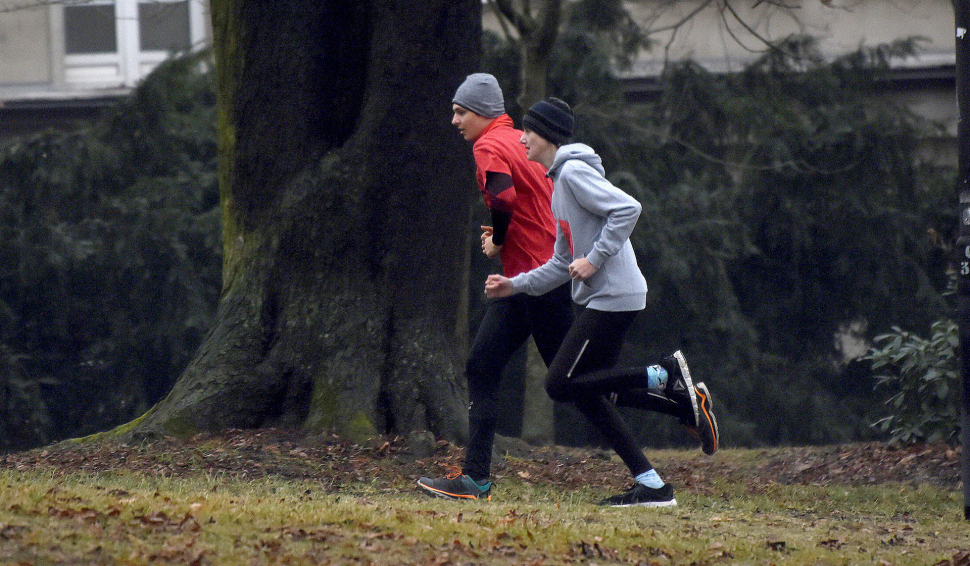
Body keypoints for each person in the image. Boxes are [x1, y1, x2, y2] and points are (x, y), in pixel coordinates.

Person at [483, 97, 719, 507]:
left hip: (614, 297)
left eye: (530, 132)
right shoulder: (558, 185)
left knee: (559, 384)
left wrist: (594, 259)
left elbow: (628, 209)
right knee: (592, 392)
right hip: (608, 297)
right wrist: (515, 285)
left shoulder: (573, 173)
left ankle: (662, 376)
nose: (522, 139)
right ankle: (653, 482)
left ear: (549, 136)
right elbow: (560, 262)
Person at [417, 74, 574, 501]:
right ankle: (475, 478)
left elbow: (503, 199)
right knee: (483, 365)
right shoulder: (520, 141)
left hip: (535, 279)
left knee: (575, 380)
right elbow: (533, 201)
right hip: (528, 278)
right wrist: (513, 239)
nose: (454, 121)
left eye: (460, 112)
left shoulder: (487, 145)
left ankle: (663, 383)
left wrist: (500, 242)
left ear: (482, 114)